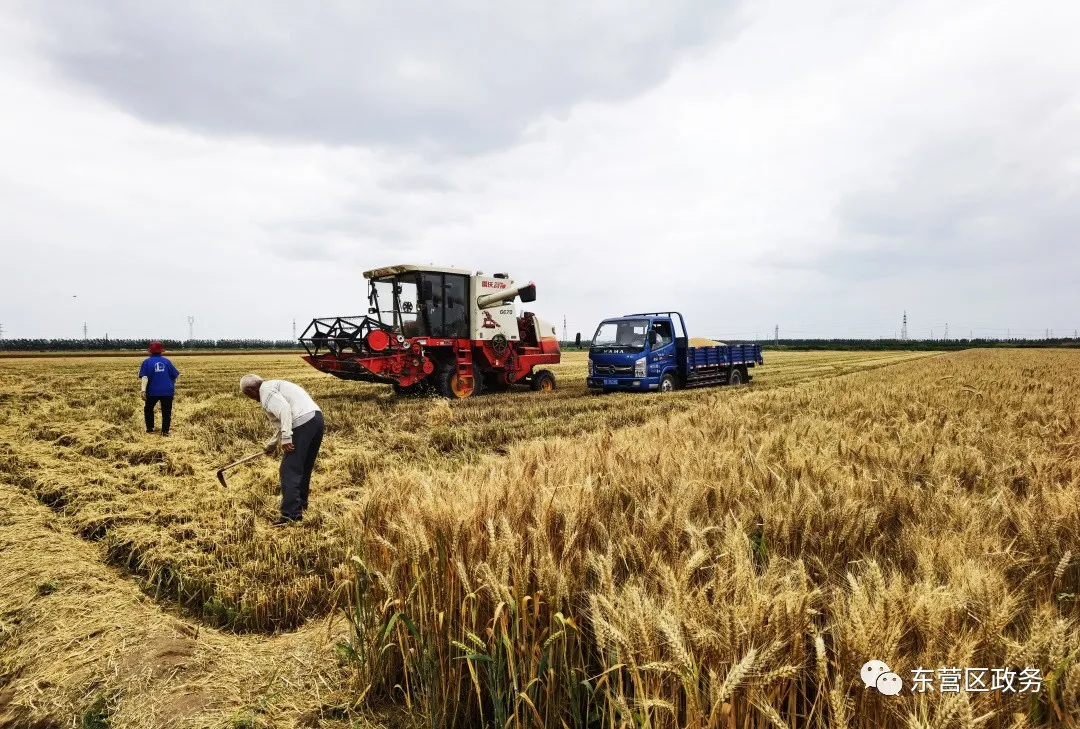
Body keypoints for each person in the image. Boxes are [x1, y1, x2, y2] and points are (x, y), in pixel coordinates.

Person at [240, 374, 323, 525]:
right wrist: (271, 445)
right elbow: (283, 422)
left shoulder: (266, 393)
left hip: (302, 423)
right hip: (316, 419)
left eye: (247, 395)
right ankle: (301, 504)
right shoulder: (273, 386)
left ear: (252, 389)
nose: (251, 398)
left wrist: (286, 437)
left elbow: (285, 410)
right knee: (303, 467)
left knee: (288, 470)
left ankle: (291, 515)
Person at [139, 341, 180, 436]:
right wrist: (172, 386)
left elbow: (145, 377)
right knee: (166, 411)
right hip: (167, 391)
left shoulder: (147, 362)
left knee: (148, 409)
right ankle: (165, 431)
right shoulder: (167, 361)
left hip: (152, 391)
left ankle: (150, 429)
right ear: (161, 351)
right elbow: (175, 375)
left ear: (150, 351)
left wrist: (143, 390)